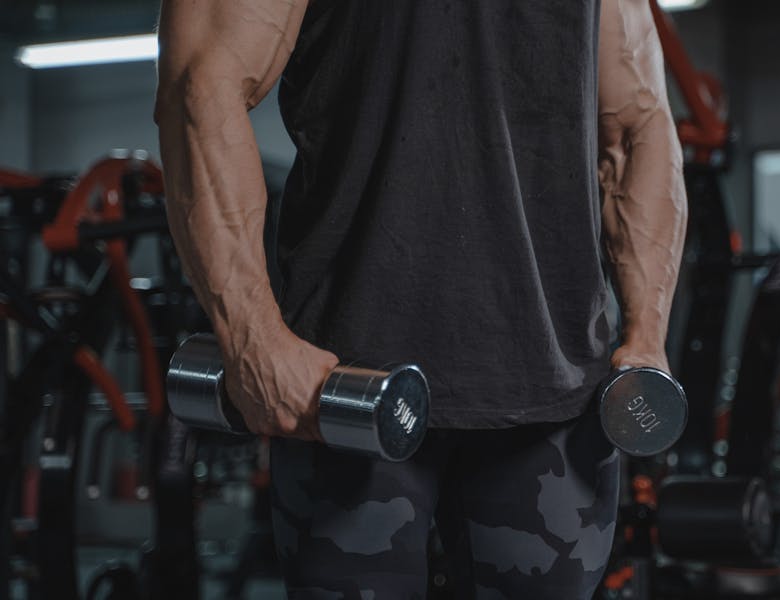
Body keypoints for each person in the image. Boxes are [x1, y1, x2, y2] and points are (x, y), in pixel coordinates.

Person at [155, 0, 687, 597]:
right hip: (345, 393)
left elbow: (638, 123)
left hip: (554, 401)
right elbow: (200, 82)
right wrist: (253, 338)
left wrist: (647, 337)